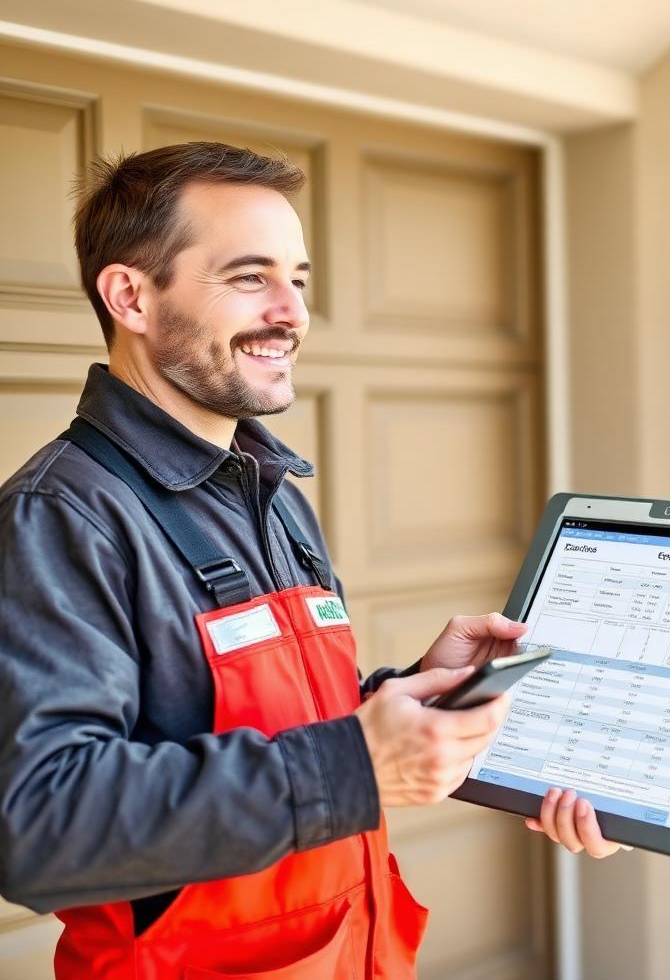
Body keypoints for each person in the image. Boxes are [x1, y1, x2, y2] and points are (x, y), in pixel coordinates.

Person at [0, 142, 620, 979]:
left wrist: (408, 702)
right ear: (131, 296)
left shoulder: (272, 494)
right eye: (250, 277)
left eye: (299, 278)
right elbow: (39, 824)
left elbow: (260, 731)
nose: (292, 311)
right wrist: (360, 762)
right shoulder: (65, 518)